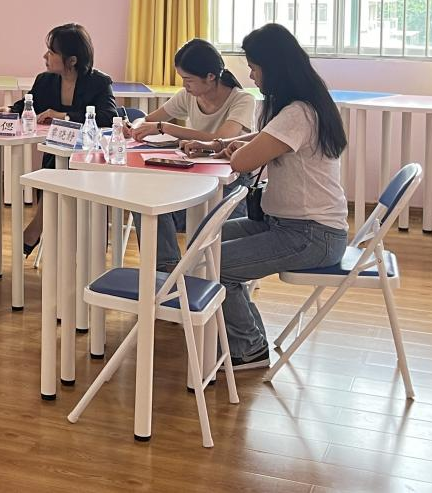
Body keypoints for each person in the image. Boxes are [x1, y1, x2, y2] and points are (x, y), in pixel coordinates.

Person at [184, 23, 348, 370]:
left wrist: (229, 149)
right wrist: (218, 144)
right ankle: (243, 333)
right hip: (286, 225)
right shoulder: (304, 107)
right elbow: (262, 138)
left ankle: (249, 347)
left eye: (254, 67)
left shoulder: (298, 114)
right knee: (203, 242)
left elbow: (243, 161)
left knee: (217, 262)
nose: (251, 75)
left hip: (311, 234)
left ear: (274, 69)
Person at [127, 38, 256, 269]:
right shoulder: (188, 96)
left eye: (189, 80)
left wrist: (166, 128)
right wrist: (133, 126)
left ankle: (194, 278)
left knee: (215, 246)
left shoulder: (242, 100)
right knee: (146, 201)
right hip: (194, 178)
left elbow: (221, 139)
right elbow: (147, 119)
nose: (185, 85)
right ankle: (168, 271)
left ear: (211, 76)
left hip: (231, 182)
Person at [0, 24, 117, 255]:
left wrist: (64, 116)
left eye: (52, 52)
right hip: (55, 154)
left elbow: (108, 116)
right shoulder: (45, 80)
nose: (45, 56)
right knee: (55, 166)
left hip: (89, 159)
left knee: (60, 169)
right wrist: (9, 110)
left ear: (72, 60)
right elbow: (27, 105)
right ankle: (44, 234)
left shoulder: (99, 82)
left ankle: (36, 230)